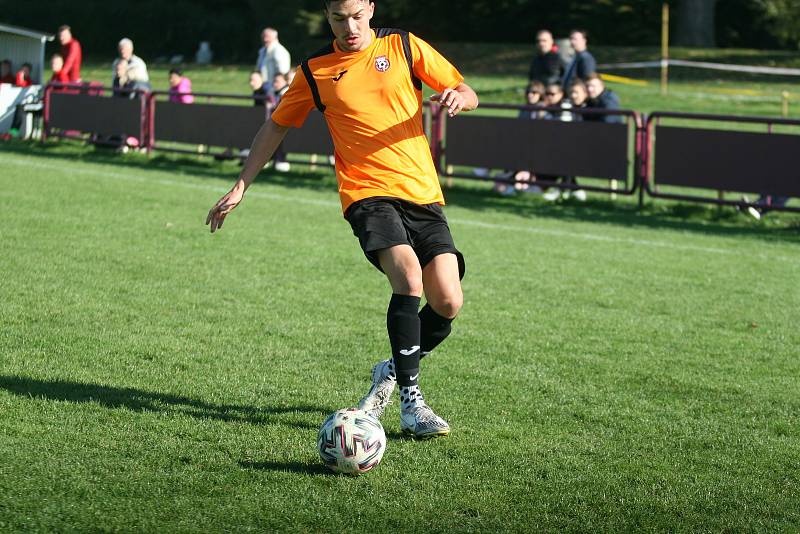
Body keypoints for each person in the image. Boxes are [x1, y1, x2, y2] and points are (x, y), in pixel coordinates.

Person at [207, 0, 479, 438]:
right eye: (338, 18)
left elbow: (466, 89)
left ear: (370, 8)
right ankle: (411, 403)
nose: (349, 26)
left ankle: (390, 371)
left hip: (424, 195)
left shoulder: (405, 46)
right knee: (408, 277)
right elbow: (276, 125)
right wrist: (241, 184)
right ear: (327, 15)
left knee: (448, 301)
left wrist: (459, 97)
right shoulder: (316, 69)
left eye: (356, 15)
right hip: (366, 193)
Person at [255, 27, 291, 96]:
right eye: (263, 37)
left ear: (275, 37)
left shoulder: (280, 51)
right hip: (262, 88)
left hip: (274, 90)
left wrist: (275, 87)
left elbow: (283, 72)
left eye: (268, 37)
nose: (265, 39)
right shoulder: (262, 51)